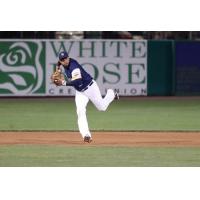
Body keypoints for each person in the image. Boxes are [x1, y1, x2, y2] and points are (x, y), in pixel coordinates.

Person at [55, 51, 119, 143]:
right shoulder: (62, 63)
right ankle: (86, 135)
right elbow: (58, 63)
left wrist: (63, 83)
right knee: (80, 111)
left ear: (68, 57)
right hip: (80, 92)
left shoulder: (74, 66)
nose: (65, 60)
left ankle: (111, 93)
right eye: (62, 60)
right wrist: (58, 67)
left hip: (90, 87)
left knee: (102, 107)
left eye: (66, 58)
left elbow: (77, 82)